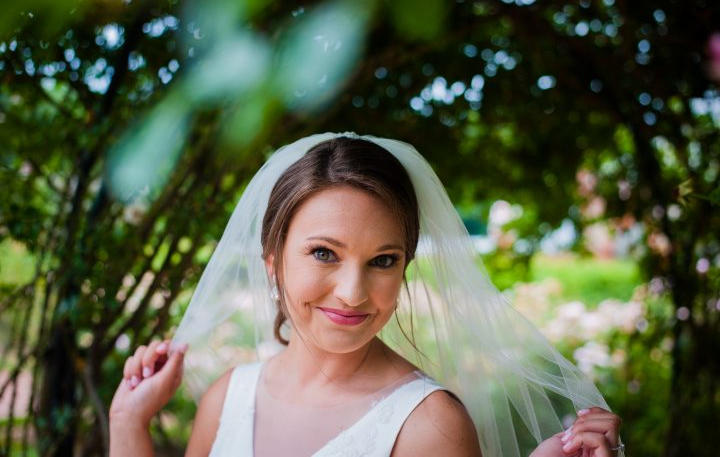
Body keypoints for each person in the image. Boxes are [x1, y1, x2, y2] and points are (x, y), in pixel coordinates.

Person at [109, 133, 623, 456]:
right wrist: (128, 422)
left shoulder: (427, 427)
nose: (354, 293)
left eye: (383, 260)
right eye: (324, 254)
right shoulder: (229, 397)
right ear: (272, 262)